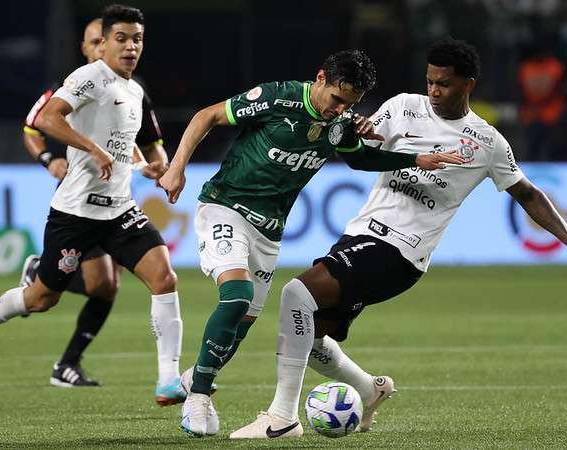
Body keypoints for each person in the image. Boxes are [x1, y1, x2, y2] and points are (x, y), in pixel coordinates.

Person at [229, 37, 567, 439]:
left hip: (400, 253)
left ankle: (282, 418)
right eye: (430, 81)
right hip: (360, 234)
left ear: (468, 84)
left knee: (296, 295)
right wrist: (358, 131)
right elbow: (362, 147)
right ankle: (368, 388)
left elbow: (528, 194)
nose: (433, 90)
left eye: (444, 84)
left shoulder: (487, 142)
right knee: (308, 333)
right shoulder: (402, 107)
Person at [157, 49, 461, 437]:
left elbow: (359, 160)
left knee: (242, 323)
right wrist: (177, 166)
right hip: (225, 207)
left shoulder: (340, 123)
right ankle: (199, 398)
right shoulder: (277, 97)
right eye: (336, 99)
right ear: (320, 78)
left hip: (269, 231)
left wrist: (414, 159)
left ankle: (193, 378)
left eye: (349, 104)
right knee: (235, 295)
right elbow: (208, 116)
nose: (340, 110)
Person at [0, 4, 190, 405]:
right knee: (41, 298)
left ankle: (167, 381)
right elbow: (47, 120)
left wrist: (148, 167)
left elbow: (124, 148)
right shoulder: (89, 77)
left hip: (119, 210)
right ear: (103, 43)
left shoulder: (134, 90)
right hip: (76, 214)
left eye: (136, 39)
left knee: (165, 279)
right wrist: (90, 150)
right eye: (121, 39)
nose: (129, 47)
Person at [21, 17, 174, 395]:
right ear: (92, 45)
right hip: (76, 201)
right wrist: (48, 160)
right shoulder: (70, 85)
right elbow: (32, 128)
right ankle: (44, 275)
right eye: (100, 40)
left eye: (132, 39)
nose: (116, 47)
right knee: (97, 283)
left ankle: (68, 362)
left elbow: (150, 139)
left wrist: (159, 167)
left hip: (114, 199)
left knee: (107, 286)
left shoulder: (131, 89)